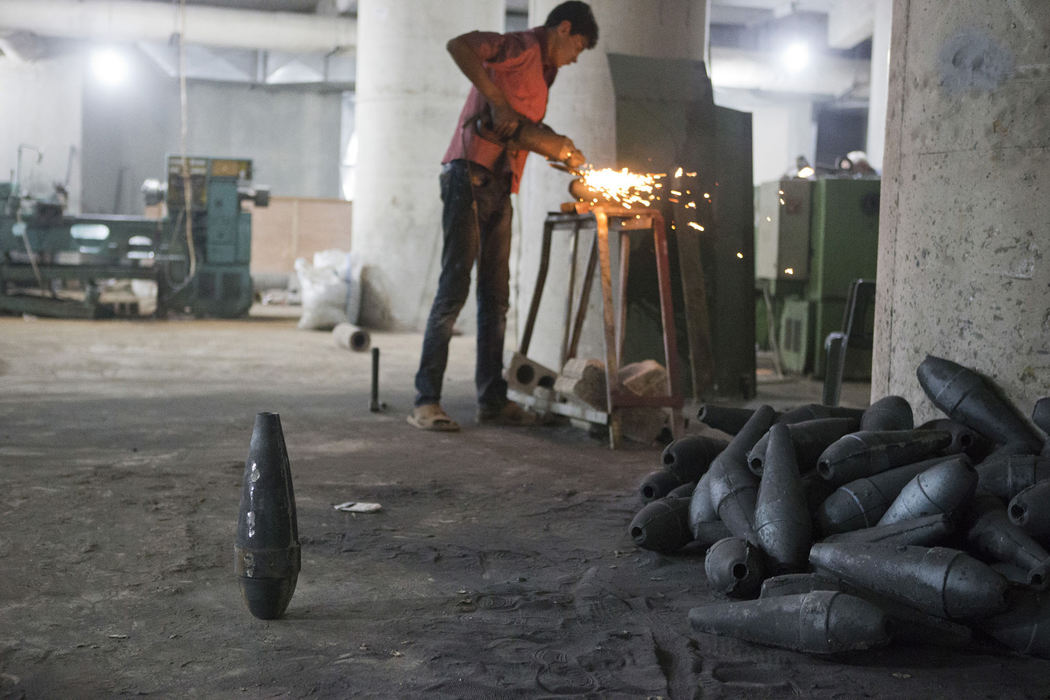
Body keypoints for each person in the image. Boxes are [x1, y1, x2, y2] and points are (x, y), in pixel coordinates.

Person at [408, 1, 598, 432]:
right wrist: (496, 100)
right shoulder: (522, 46)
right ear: (564, 28)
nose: (575, 58)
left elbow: (519, 129)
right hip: (468, 174)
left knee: (496, 297)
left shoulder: (545, 74)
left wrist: (559, 148)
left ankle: (492, 400)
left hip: (500, 182)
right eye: (578, 47)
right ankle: (425, 400)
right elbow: (459, 46)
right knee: (454, 289)